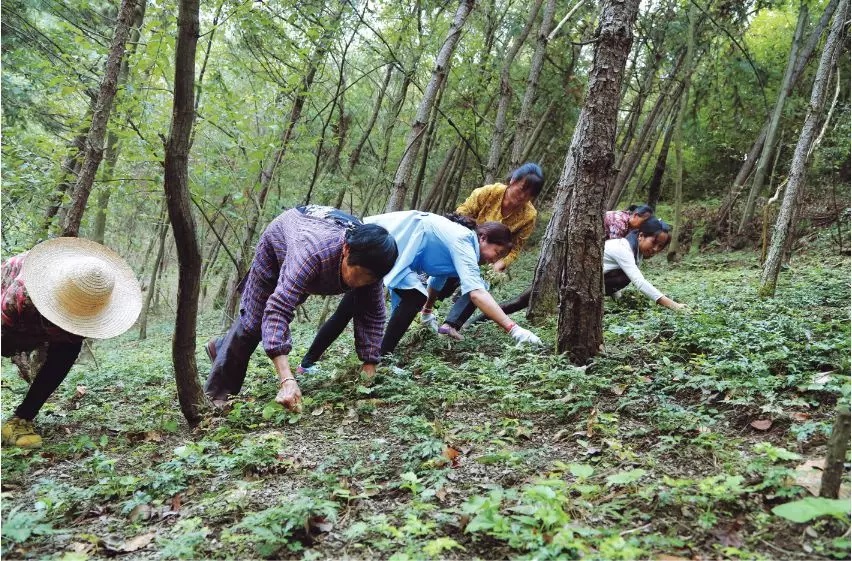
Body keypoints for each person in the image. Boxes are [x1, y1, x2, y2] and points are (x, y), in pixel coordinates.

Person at [204, 206, 397, 412]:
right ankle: (217, 396)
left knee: (264, 321)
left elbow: (373, 315)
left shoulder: (371, 264)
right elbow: (279, 309)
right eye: (359, 274)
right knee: (254, 322)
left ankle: (221, 347)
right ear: (346, 250)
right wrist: (287, 380)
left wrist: (369, 365)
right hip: (279, 243)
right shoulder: (311, 252)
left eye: (371, 279)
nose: (361, 283)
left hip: (309, 248)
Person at [299, 211, 541, 373]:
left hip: (394, 250)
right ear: (483, 238)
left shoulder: (460, 246)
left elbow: (437, 279)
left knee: (357, 306)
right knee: (355, 306)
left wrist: (427, 311)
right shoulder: (464, 242)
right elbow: (476, 293)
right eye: (496, 253)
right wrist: (513, 328)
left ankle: (309, 363)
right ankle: (376, 359)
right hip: (384, 245)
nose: (493, 260)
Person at [1, 237, 143, 448]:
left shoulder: (92, 296)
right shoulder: (21, 296)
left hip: (46, 315)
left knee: (66, 353)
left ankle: (21, 418)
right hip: (12, 317)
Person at [469, 217, 686, 324]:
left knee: (520, 303)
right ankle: (473, 322)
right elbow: (639, 282)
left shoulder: (633, 251)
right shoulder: (623, 248)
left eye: (660, 247)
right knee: (518, 302)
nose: (655, 249)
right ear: (640, 236)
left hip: (574, 283)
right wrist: (674, 306)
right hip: (560, 278)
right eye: (654, 243)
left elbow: (613, 277)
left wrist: (621, 303)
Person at [426, 163, 544, 340]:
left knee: (482, 284)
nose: (522, 198)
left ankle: (450, 325)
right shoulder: (489, 192)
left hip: (489, 259)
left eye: (529, 195)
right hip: (465, 245)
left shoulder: (529, 215)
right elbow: (461, 214)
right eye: (521, 190)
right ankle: (427, 311)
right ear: (512, 181)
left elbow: (516, 247)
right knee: (444, 282)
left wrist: (499, 264)